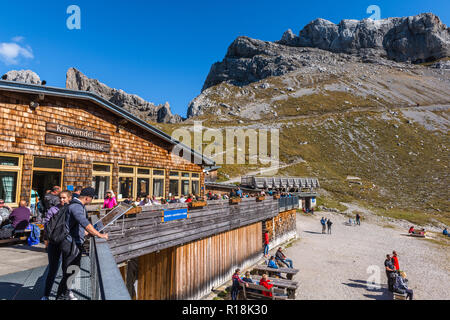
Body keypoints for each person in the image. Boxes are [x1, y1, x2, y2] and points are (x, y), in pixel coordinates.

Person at [55, 187, 108, 300]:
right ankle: (61, 297)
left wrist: (85, 233)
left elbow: (77, 225)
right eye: (92, 198)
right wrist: (99, 235)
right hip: (70, 244)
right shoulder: (76, 206)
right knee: (69, 271)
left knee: (72, 270)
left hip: (73, 242)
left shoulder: (76, 205)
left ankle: (66, 294)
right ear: (87, 197)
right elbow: (84, 222)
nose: (92, 200)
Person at [41, 190, 72, 300]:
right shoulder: (53, 209)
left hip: (66, 242)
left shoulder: (71, 209)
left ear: (69, 198)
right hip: (54, 242)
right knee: (52, 269)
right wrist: (46, 241)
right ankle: (46, 294)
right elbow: (46, 226)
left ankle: (68, 291)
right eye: (61, 198)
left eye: (64, 198)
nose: (62, 200)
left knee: (67, 269)